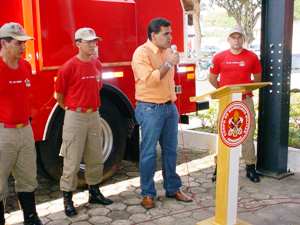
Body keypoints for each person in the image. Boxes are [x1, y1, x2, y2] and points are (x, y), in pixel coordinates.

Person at [132, 18, 193, 209]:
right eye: (166, 33)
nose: (170, 37)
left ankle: (173, 188)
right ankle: (148, 194)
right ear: (153, 35)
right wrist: (168, 64)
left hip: (169, 108)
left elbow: (168, 78)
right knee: (149, 153)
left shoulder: (168, 51)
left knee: (170, 151)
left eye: (171, 33)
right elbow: (151, 80)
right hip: (150, 109)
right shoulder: (141, 53)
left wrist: (171, 61)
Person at [55, 27, 113, 217]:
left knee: (95, 157)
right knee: (72, 160)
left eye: (94, 41)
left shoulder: (97, 64)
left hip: (94, 115)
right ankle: (68, 199)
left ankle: (94, 192)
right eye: (88, 41)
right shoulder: (68, 67)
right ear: (78, 43)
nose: (93, 44)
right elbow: (60, 96)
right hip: (75, 117)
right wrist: (74, 109)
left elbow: (98, 87)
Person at [0, 22, 43, 225]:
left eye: (24, 43)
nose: (23, 47)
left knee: (27, 176)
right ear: (4, 43)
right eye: (18, 43)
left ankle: (31, 217)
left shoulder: (25, 66)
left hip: (25, 130)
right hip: (3, 133)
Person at [209, 26, 262, 183]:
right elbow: (212, 79)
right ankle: (219, 167)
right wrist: (224, 91)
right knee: (224, 134)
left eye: (239, 37)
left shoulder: (252, 57)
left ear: (243, 39)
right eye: (233, 37)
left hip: (245, 100)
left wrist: (244, 91)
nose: (236, 40)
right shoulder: (219, 57)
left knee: (248, 132)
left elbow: (258, 79)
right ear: (228, 39)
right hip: (227, 101)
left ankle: (250, 167)